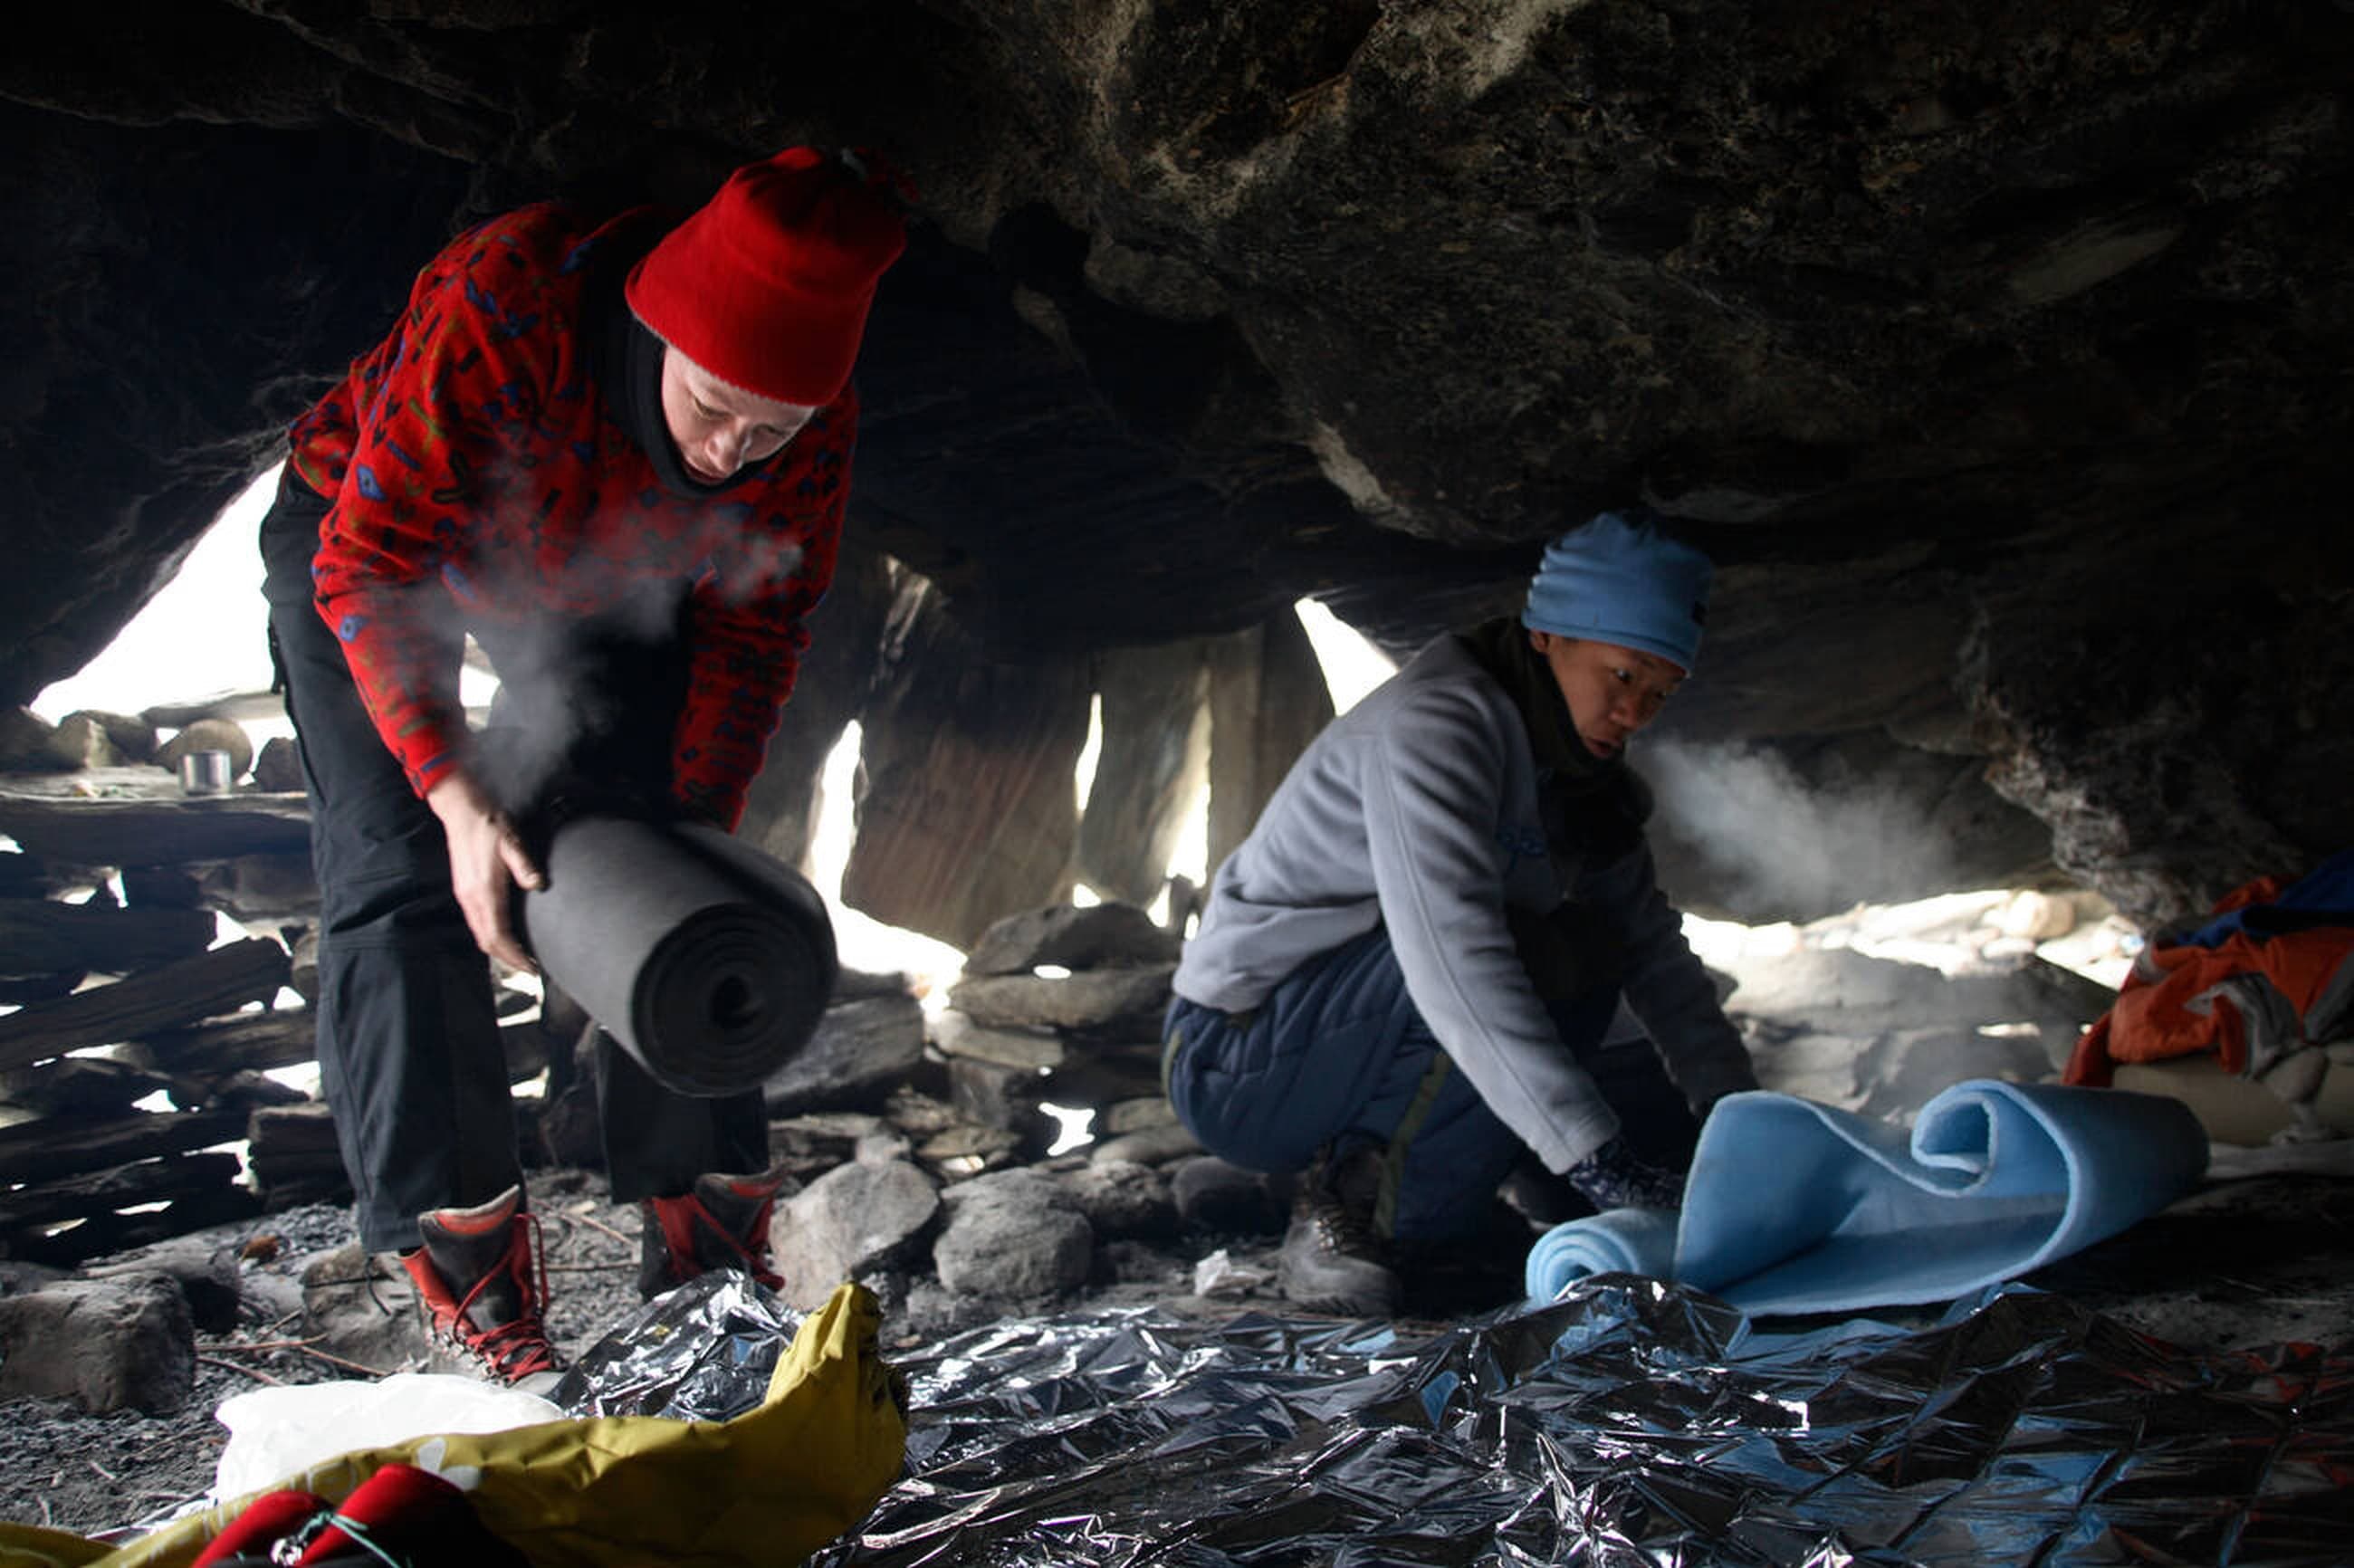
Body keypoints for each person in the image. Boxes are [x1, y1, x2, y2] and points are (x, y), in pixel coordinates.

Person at [260, 147, 906, 1384]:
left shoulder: (801, 441)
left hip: (608, 570)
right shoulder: (509, 300)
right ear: (658, 334)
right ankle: (469, 1274)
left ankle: (707, 1247)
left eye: (769, 431)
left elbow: (755, 628)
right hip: (374, 543)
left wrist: (689, 834)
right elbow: (372, 563)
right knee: (404, 880)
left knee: (671, 887)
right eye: (712, 407)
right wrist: (453, 794)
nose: (730, 452)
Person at [1162, 511, 1760, 1316]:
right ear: (1548, 636)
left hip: (1337, 1038)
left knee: (1589, 945)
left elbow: (1654, 952)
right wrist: (1596, 1155)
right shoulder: (1435, 727)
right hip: (1235, 1058)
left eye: (1660, 691)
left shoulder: (1581, 773)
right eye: (1623, 676)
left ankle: (1444, 1205)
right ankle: (1353, 1206)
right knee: (1509, 953)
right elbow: (1454, 961)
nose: (1637, 712)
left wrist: (1740, 1113)